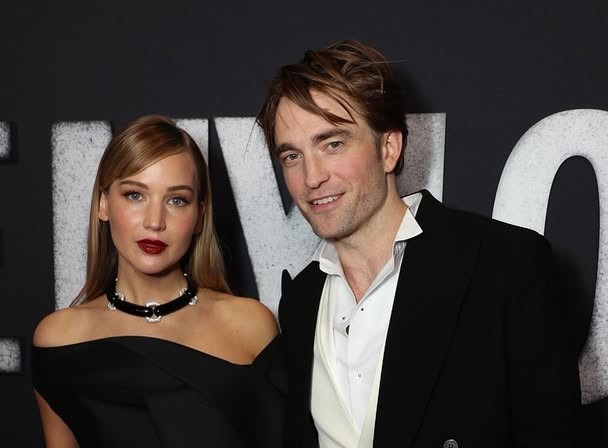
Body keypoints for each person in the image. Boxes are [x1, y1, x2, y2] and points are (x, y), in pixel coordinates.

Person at [257, 40, 580, 447]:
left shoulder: (503, 266)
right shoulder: (301, 300)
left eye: (333, 144)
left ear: (389, 149)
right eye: (292, 156)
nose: (311, 177)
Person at [32, 115, 284, 448]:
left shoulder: (250, 325)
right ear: (103, 204)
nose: (155, 222)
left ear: (199, 216)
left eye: (177, 200)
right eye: (135, 195)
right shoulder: (60, 340)